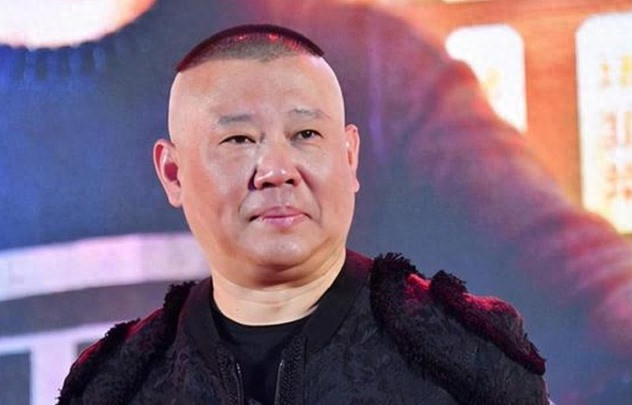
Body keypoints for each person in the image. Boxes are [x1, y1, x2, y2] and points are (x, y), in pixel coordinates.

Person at [57, 24, 549, 404]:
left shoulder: (469, 355)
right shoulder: (115, 384)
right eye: (238, 139)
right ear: (173, 173)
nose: (276, 171)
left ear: (350, 157)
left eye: (305, 135)